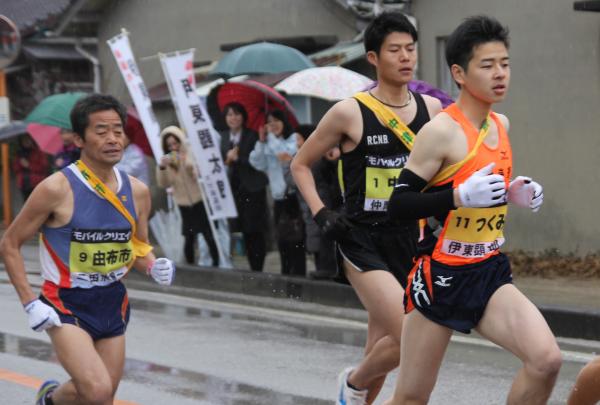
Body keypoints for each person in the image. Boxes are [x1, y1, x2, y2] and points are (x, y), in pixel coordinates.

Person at [385, 15, 561, 404]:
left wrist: (512, 192)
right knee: (412, 397)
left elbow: (484, 187)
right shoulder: (441, 132)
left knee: (546, 360)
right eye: (487, 65)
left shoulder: (501, 124)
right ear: (459, 73)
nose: (500, 74)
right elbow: (399, 204)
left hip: (488, 268)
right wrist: (458, 197)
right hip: (442, 275)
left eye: (505, 64)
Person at [291, 11, 442, 404]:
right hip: (360, 239)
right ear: (373, 57)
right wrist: (322, 212)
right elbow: (300, 164)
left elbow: (443, 176)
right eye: (395, 50)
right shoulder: (350, 111)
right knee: (412, 333)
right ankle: (355, 383)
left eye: (411, 49)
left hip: (410, 240)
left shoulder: (432, 110)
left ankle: (356, 392)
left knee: (382, 346)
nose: (406, 57)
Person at [0, 93, 175, 405]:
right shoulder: (56, 188)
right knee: (96, 391)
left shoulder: (138, 191)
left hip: (111, 301)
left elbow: (136, 246)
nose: (112, 139)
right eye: (101, 131)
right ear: (79, 139)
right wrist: (29, 303)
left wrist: (152, 265)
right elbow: (10, 244)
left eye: (118, 131)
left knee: (100, 396)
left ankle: (49, 399)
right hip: (65, 302)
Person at [250, 109, 305, 276]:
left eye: (276, 120)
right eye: (269, 121)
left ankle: (299, 276)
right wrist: (261, 141)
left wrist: (271, 138)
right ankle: (286, 275)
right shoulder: (268, 143)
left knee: (296, 241)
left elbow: (284, 156)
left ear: (284, 121)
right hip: (278, 199)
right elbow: (256, 162)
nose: (272, 125)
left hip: (294, 197)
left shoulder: (293, 139)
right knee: (282, 241)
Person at [156, 125, 219, 267]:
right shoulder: (166, 161)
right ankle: (191, 267)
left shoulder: (190, 153)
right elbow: (163, 183)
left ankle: (217, 263)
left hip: (199, 200)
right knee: (189, 236)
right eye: (169, 145)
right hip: (183, 203)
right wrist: (162, 167)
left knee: (208, 234)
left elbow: (196, 173)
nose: (173, 147)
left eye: (175, 143)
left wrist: (186, 161)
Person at [219, 102, 269, 272]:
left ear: (243, 117)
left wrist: (238, 159)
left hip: (253, 189)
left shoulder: (253, 136)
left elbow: (259, 163)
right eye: (229, 115)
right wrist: (228, 160)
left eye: (237, 114)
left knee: (254, 229)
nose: (233, 118)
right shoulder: (223, 137)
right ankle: (250, 265)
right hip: (234, 191)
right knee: (241, 230)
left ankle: (258, 267)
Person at [295, 124, 341, 280]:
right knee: (319, 236)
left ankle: (329, 268)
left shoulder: (325, 155)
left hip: (329, 202)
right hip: (318, 203)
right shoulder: (309, 156)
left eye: (299, 138)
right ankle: (324, 268)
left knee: (326, 235)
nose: (296, 142)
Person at [12, 134, 51, 201]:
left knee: (38, 203)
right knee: (26, 203)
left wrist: (29, 165)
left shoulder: (38, 152)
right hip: (23, 183)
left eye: (28, 139)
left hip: (36, 182)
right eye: (24, 140)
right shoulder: (19, 153)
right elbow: (15, 169)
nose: (26, 142)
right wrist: (19, 162)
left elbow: (44, 167)